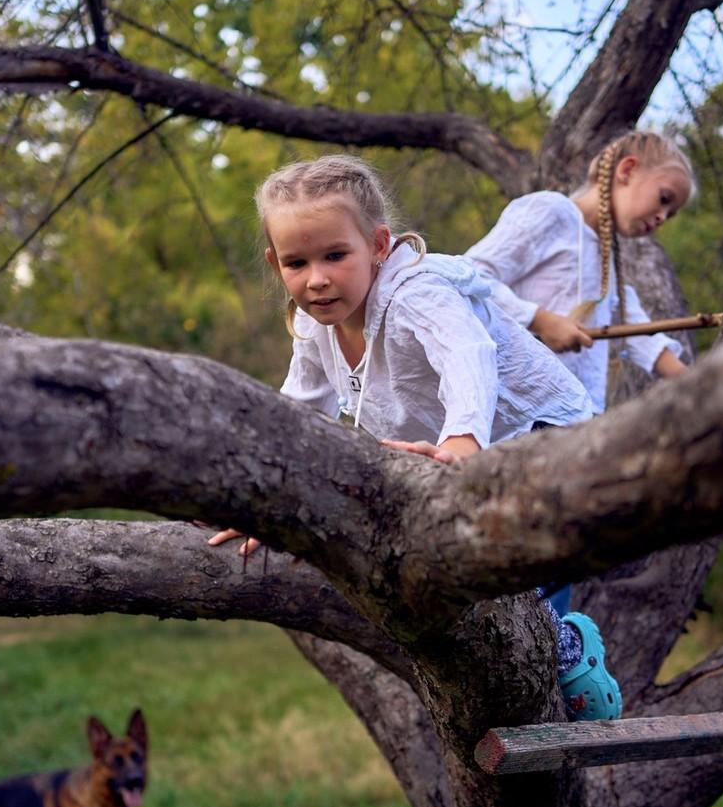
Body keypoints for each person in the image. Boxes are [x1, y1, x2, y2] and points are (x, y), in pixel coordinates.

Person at [209, 154, 619, 720]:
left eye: (335, 255)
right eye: (297, 263)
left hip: (541, 433)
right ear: (274, 262)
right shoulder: (313, 324)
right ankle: (543, 659)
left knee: (508, 561)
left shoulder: (415, 293)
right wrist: (263, 502)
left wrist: (462, 442)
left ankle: (565, 648)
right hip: (465, 458)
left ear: (378, 246)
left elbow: (467, 356)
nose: (317, 278)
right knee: (461, 584)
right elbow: (299, 410)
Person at [465, 129, 694, 416]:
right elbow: (471, 275)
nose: (663, 217)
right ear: (628, 170)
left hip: (579, 416)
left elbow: (641, 335)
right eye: (664, 198)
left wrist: (700, 384)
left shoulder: (609, 261)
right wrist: (541, 321)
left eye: (671, 213)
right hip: (522, 411)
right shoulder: (552, 211)